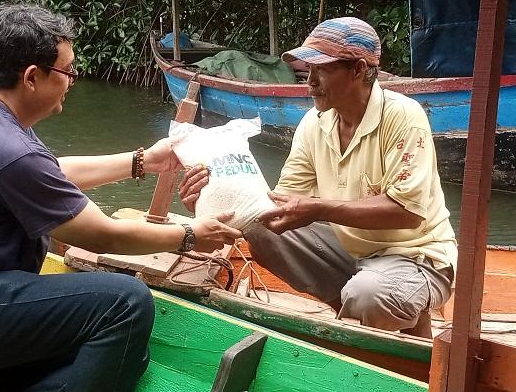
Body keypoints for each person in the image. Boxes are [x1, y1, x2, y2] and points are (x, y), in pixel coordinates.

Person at [0, 3, 242, 392]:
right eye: (68, 70)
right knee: (127, 304)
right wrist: (189, 236)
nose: (72, 80)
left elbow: (49, 174)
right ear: (32, 77)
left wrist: (142, 161)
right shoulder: (9, 149)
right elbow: (105, 235)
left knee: (130, 358)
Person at [180, 17, 456, 337]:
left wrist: (320, 208)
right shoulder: (315, 122)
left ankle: (385, 310)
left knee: (368, 295)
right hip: (353, 248)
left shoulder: (403, 116)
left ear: (358, 69)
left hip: (418, 257)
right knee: (261, 230)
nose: (309, 81)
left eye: (321, 70)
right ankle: (353, 309)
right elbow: (273, 205)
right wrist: (209, 203)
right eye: (307, 70)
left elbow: (407, 213)